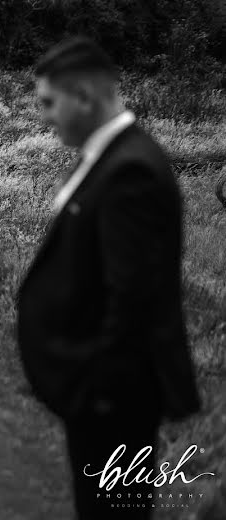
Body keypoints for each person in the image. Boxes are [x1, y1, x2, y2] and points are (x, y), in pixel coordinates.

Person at [16, 37, 201, 519]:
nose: (44, 117)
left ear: (84, 96)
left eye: (48, 103)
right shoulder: (108, 155)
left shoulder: (131, 170)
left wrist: (92, 389)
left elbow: (133, 297)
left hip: (113, 399)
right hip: (103, 397)